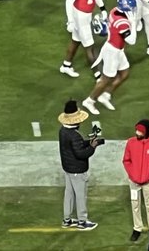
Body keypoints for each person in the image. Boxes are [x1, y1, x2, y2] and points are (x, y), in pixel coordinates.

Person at [58, 99, 101, 231]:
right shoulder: (74, 135)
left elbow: (74, 147)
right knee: (80, 195)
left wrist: (88, 142)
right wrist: (92, 146)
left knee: (69, 194)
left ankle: (67, 219)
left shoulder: (63, 131)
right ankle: (82, 221)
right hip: (77, 169)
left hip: (68, 168)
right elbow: (81, 154)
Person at [122, 119, 149, 243]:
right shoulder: (130, 142)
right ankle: (137, 228)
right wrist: (133, 175)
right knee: (135, 205)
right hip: (133, 182)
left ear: (146, 132)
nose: (137, 133)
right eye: (137, 130)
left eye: (140, 131)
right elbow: (126, 160)